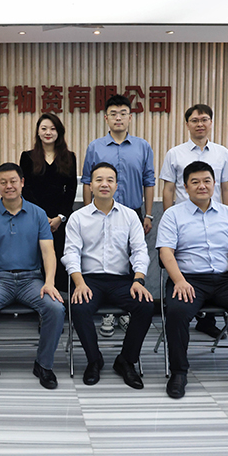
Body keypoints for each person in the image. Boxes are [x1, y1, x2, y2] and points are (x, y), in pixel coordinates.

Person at [156, 161, 228, 400]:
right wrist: (179, 281)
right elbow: (166, 252)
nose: (202, 186)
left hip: (225, 280)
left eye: (207, 181)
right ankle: (178, 372)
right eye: (195, 182)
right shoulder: (172, 214)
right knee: (177, 312)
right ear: (185, 187)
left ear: (214, 184)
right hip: (188, 279)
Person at [0, 162, 65, 391]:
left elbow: (48, 252)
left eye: (13, 181)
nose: (9, 186)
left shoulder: (38, 213)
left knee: (55, 307)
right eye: (3, 182)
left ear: (22, 182)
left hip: (31, 280)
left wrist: (49, 283)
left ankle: (44, 365)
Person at [62, 162, 153, 387]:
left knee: (145, 305)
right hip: (89, 280)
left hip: (122, 280)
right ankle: (94, 360)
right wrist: (79, 283)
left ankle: (126, 361)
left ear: (116, 186)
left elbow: (140, 250)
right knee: (79, 307)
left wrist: (138, 280)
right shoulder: (78, 217)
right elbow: (71, 253)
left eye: (110, 180)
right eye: (99, 180)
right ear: (90, 185)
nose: (104, 184)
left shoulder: (129, 216)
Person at [159, 104, 228, 339]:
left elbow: (226, 187)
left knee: (213, 262)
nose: (200, 124)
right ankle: (188, 311)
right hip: (184, 221)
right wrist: (170, 218)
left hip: (215, 219)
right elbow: (168, 188)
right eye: (194, 120)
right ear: (187, 124)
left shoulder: (222, 153)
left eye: (204, 119)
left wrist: (226, 216)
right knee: (189, 264)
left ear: (211, 122)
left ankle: (207, 321)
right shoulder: (175, 153)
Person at [81, 94, 155, 337]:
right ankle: (108, 315)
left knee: (131, 258)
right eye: (113, 114)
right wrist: (88, 213)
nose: (118, 118)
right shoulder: (95, 147)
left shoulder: (143, 146)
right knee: (105, 259)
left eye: (123, 113)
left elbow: (149, 181)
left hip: (132, 213)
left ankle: (126, 309)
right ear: (106, 118)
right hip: (100, 213)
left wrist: (148, 215)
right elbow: (86, 181)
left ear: (130, 117)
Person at [20, 113, 77, 293]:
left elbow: (71, 190)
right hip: (34, 217)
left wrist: (60, 217)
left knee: (59, 255)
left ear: (59, 132)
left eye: (52, 129)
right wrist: (41, 217)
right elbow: (25, 189)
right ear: (38, 132)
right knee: (37, 256)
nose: (48, 132)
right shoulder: (27, 157)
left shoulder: (69, 157)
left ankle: (59, 299)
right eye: (44, 128)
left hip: (60, 220)